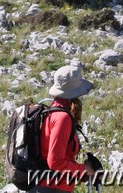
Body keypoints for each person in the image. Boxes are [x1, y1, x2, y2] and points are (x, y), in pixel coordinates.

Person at [29, 64, 97, 193]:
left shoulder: (52, 112)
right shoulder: (62, 118)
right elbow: (55, 162)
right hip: (52, 188)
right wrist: (84, 171)